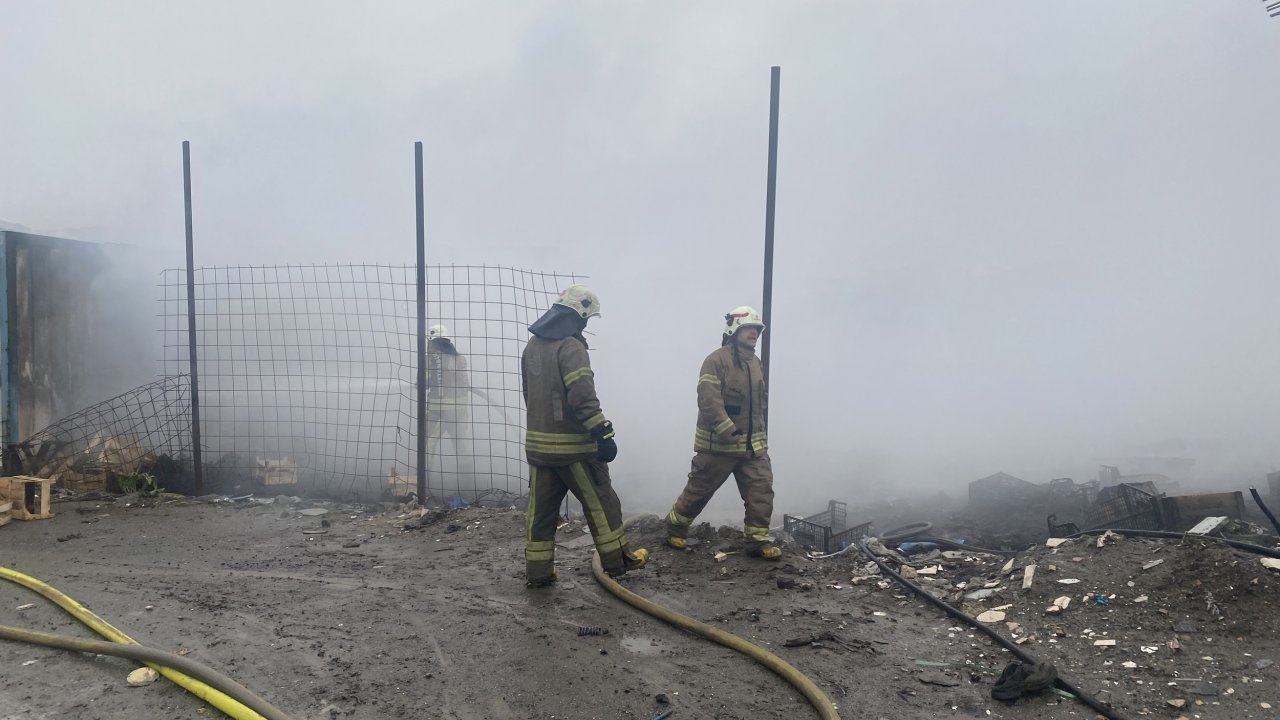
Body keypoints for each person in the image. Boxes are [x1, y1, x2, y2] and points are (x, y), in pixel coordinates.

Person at [520, 285, 648, 587]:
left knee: (540, 516)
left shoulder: (532, 346)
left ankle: (538, 573)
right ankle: (618, 563)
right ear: (581, 315)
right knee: (602, 505)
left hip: (539, 450)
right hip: (575, 450)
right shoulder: (570, 346)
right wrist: (602, 432)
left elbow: (529, 394)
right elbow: (582, 394)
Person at [664, 306, 781, 559]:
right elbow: (708, 400)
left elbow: (758, 405)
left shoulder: (756, 363)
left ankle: (757, 542)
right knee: (699, 490)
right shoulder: (716, 360)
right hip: (719, 446)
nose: (754, 333)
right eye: (749, 328)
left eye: (757, 329)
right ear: (734, 329)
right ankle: (675, 527)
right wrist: (726, 429)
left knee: (762, 492)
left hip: (752, 448)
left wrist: (759, 439)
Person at [425, 325, 476, 491]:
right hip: (459, 413)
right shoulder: (459, 358)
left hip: (439, 412)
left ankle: (424, 485)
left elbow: (424, 380)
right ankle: (469, 486)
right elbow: (464, 384)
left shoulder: (432, 358)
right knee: (461, 446)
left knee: (428, 445)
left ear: (433, 342)